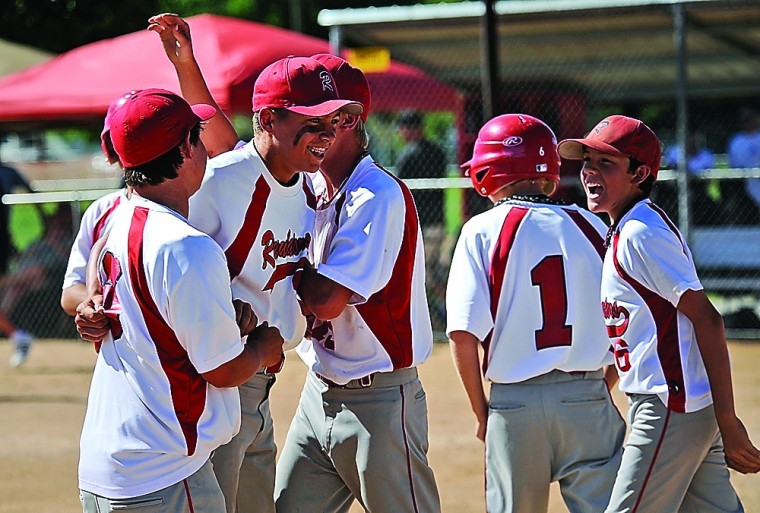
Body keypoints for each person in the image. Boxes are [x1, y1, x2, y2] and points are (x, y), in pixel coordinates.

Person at [146, 13, 362, 513]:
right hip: (219, 379)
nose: (326, 134)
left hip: (261, 379)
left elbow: (219, 127)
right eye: (312, 122)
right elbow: (164, 255)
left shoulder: (305, 183)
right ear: (268, 120)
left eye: (333, 122)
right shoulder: (221, 179)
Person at [75, 88, 284, 512]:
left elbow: (157, 327)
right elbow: (224, 372)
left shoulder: (118, 223)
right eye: (197, 135)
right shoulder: (187, 246)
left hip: (110, 465)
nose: (205, 145)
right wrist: (263, 347)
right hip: (163, 471)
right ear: (184, 149)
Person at [558, 114, 760, 512]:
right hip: (680, 406)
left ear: (641, 173)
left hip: (670, 406)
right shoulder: (629, 226)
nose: (590, 173)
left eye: (606, 163)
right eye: (587, 162)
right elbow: (642, 327)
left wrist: (729, 419)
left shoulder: (640, 233)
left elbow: (707, 318)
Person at [274, 54, 441, 512]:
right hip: (319, 391)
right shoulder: (312, 189)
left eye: (311, 116)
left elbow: (327, 300)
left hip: (380, 401)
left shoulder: (376, 194)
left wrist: (275, 271)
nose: (296, 126)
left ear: (346, 121)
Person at [446, 114, 625, 513]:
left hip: (515, 404)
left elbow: (463, 334)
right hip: (587, 394)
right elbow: (626, 323)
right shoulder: (595, 227)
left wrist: (483, 413)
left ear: (487, 172)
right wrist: (598, 388)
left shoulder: (482, 229)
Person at [61, 91, 136, 317]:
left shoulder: (190, 203)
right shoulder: (102, 210)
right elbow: (70, 294)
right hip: (117, 349)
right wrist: (106, 301)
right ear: (111, 152)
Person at [396, 110, 450, 331]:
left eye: (403, 127)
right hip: (438, 220)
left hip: (420, 223)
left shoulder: (408, 154)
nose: (401, 132)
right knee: (435, 271)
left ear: (412, 128)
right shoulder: (437, 151)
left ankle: (436, 318)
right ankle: (444, 313)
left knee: (423, 273)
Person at [726, 107, 760, 224]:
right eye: (746, 120)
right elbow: (736, 164)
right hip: (744, 182)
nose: (750, 123)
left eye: (752, 119)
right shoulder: (737, 141)